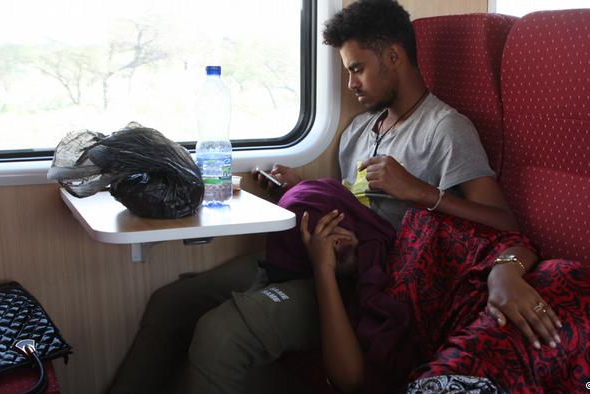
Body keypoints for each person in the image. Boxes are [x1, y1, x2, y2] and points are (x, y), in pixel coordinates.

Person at [110, 1, 561, 393]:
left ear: (394, 55)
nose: (351, 85)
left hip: (365, 279)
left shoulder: (446, 129)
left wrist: (420, 192)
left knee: (219, 333)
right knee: (173, 302)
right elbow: (352, 201)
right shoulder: (361, 129)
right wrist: (293, 187)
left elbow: (503, 223)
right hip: (313, 251)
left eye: (357, 69)